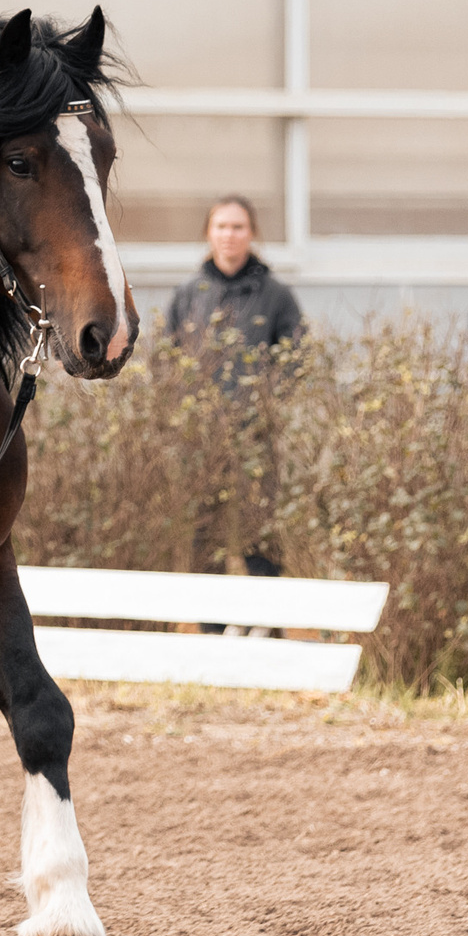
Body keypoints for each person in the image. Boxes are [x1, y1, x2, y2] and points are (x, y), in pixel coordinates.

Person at [164, 195, 305, 632]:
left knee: (260, 530)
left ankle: (267, 627)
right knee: (204, 532)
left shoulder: (276, 295)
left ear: (252, 234)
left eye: (238, 227)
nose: (230, 235)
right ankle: (213, 630)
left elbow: (296, 358)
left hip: (255, 437)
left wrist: (264, 405)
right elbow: (167, 362)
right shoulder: (188, 295)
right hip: (202, 440)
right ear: (209, 234)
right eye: (222, 226)